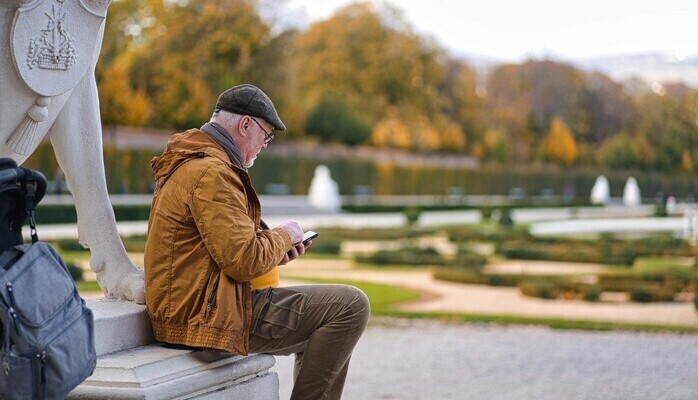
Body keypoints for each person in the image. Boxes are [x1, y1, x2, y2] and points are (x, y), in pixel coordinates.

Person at [144, 84, 370, 399]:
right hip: (204, 316)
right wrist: (284, 234)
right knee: (349, 306)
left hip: (194, 307)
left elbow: (222, 250)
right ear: (245, 124)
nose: (265, 145)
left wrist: (275, 249)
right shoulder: (213, 173)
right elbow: (243, 261)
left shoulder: (196, 162)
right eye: (265, 135)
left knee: (330, 324)